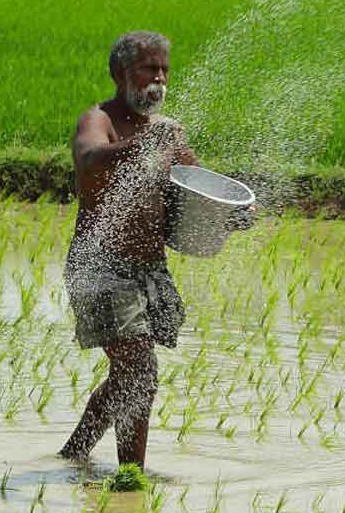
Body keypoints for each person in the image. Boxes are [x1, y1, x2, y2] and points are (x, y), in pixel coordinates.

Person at [59, 31, 252, 469]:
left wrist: (233, 214)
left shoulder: (168, 132)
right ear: (120, 74)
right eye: (149, 68)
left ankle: (74, 454)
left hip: (150, 269)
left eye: (164, 69)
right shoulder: (100, 120)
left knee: (129, 374)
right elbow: (88, 159)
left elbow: (198, 187)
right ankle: (132, 478)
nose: (159, 78)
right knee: (139, 373)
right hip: (100, 266)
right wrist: (137, 147)